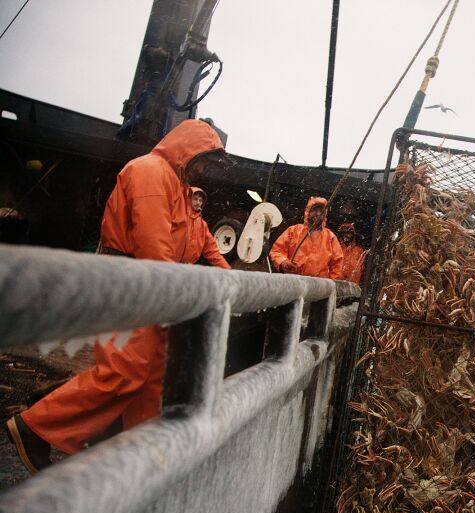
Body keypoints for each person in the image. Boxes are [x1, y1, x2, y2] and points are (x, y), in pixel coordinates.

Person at [4, 119, 226, 474]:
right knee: (123, 371)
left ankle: (139, 452)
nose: (203, 168)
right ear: (188, 147)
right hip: (133, 284)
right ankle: (35, 427)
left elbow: (184, 249)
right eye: (203, 159)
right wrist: (177, 295)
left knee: (154, 375)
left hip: (150, 286)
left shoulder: (178, 184)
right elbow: (154, 244)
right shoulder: (152, 171)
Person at [269, 196, 343, 279]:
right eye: (315, 210)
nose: (318, 214)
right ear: (308, 212)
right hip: (293, 282)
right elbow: (277, 250)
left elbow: (337, 264)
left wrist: (330, 285)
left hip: (319, 288)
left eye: (321, 211)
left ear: (325, 214)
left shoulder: (330, 237)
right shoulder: (293, 231)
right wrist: (283, 262)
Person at [186, 186, 230, 268]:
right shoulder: (178, 216)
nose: (198, 202)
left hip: (186, 268)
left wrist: (228, 270)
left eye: (200, 200)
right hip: (168, 264)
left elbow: (212, 252)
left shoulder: (203, 226)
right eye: (195, 199)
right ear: (188, 199)